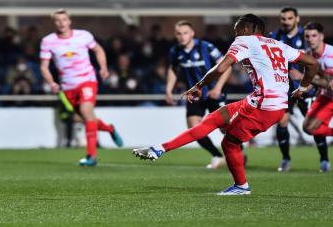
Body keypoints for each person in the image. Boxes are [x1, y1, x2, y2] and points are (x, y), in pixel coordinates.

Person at [133, 14, 317, 195]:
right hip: (267, 102)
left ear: (247, 29)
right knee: (214, 119)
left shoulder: (244, 41)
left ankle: (241, 186)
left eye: (237, 28)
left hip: (264, 106)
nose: (235, 33)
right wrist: (303, 87)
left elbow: (221, 67)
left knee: (229, 143)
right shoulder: (278, 44)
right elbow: (311, 63)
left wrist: (199, 86)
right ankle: (159, 149)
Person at [39, 9, 124, 166]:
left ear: (69, 21)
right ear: (54, 23)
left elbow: (98, 50)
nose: (61, 23)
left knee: (86, 112)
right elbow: (44, 66)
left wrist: (103, 67)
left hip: (87, 81)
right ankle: (110, 129)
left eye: (64, 19)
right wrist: (51, 82)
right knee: (86, 118)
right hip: (67, 86)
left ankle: (91, 156)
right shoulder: (48, 41)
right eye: (58, 20)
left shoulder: (83, 35)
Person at [166, 21, 230, 169]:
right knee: (194, 129)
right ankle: (217, 155)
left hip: (214, 93)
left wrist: (218, 88)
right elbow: (173, 69)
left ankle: (237, 152)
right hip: (195, 95)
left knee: (224, 128)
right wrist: (168, 89)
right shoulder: (175, 51)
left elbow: (226, 67)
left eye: (185, 33)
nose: (182, 36)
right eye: (179, 34)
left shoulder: (206, 47)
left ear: (192, 33)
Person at [269, 7, 310, 172]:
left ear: (297, 19)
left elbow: (316, 61)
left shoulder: (308, 36)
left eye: (289, 18)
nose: (286, 21)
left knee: (313, 124)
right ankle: (285, 159)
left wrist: (301, 76)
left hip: (306, 87)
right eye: (283, 19)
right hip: (284, 89)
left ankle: (324, 159)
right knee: (282, 121)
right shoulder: (274, 37)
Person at [301, 22, 333, 172]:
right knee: (307, 128)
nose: (310, 39)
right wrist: (304, 87)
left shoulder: (331, 54)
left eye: (314, 35)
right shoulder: (309, 54)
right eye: (307, 36)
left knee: (313, 127)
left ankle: (324, 160)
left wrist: (306, 77)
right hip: (326, 96)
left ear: (321, 36)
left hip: (329, 94)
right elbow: (317, 82)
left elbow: (330, 84)